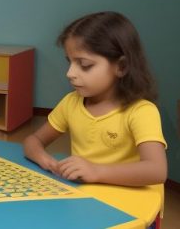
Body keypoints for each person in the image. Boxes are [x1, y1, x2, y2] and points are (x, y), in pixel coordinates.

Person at [24, 12, 166, 186]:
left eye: (84, 65)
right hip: (87, 199)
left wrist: (96, 171)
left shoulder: (141, 111)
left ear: (122, 66)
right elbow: (33, 141)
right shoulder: (71, 103)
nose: (70, 73)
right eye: (69, 62)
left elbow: (156, 171)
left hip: (131, 204)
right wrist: (45, 160)